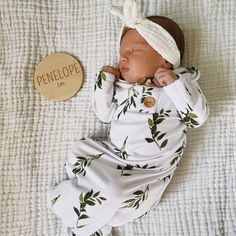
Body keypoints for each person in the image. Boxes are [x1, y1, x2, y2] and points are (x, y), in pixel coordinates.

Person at [47, 0, 209, 235]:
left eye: (133, 51)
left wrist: (174, 84)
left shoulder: (179, 87)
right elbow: (104, 114)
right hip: (114, 157)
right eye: (122, 53)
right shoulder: (124, 89)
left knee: (117, 194)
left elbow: (196, 118)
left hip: (149, 172)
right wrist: (106, 82)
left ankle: (90, 220)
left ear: (165, 59)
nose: (123, 58)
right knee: (88, 165)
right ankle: (80, 210)